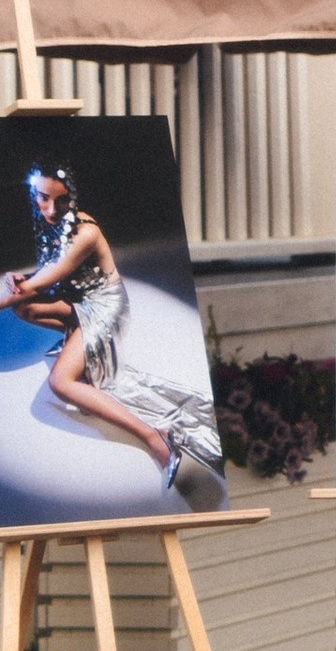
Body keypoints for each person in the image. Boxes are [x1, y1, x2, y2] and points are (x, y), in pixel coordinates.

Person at [0, 160, 225, 507]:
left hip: (106, 309)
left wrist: (20, 285)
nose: (52, 208)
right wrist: (21, 278)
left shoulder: (85, 232)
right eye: (44, 198)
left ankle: (155, 439)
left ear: (71, 197)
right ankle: (80, 343)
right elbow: (42, 278)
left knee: (61, 383)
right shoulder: (48, 222)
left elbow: (44, 281)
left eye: (61, 201)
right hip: (80, 304)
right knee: (24, 308)